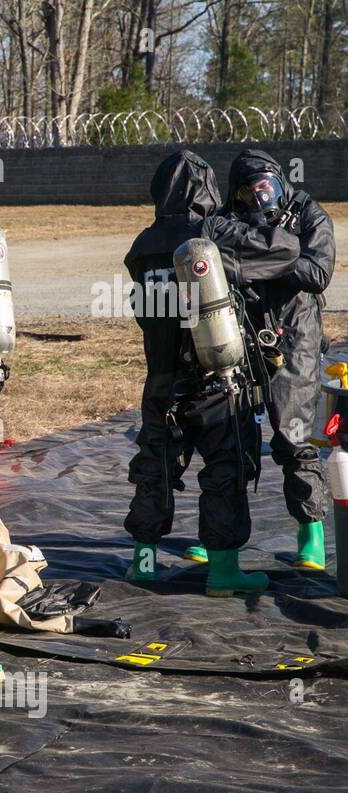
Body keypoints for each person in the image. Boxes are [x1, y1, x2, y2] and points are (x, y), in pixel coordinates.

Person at [124, 150, 301, 595]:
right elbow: (286, 251)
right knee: (226, 467)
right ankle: (223, 572)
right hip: (217, 378)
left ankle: (143, 562)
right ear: (207, 190)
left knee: (155, 465)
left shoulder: (143, 245)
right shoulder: (215, 232)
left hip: (161, 379)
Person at [212, 149, 336, 571]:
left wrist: (261, 255)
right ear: (238, 192)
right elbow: (216, 263)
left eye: (268, 186)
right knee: (232, 434)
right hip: (244, 329)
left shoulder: (307, 212)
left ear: (281, 182)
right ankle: (223, 539)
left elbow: (317, 273)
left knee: (293, 432)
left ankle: (311, 531)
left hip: (297, 331)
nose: (261, 196)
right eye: (251, 190)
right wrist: (280, 253)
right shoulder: (226, 216)